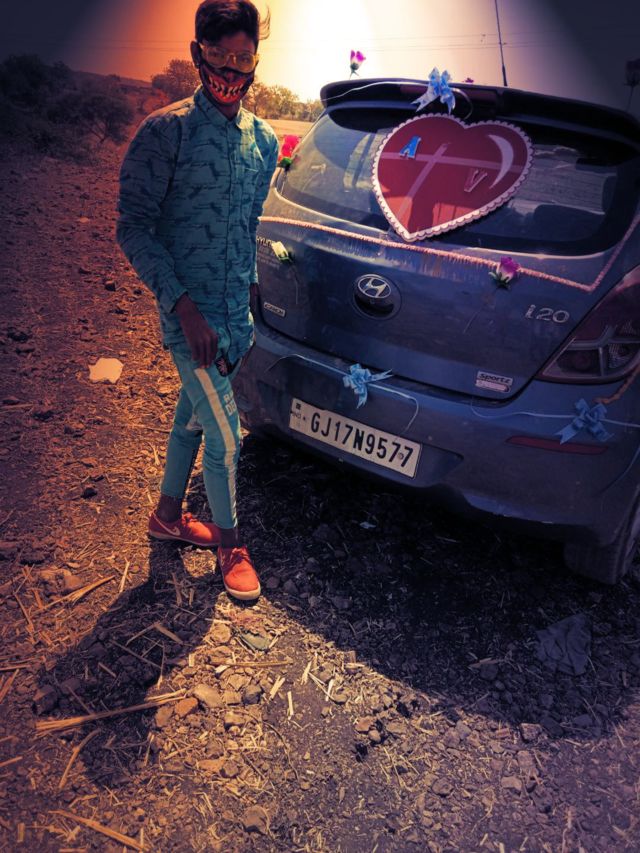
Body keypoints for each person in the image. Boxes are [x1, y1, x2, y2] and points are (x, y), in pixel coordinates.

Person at [116, 0, 278, 601]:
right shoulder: (167, 132)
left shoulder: (263, 141)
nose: (231, 71)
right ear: (197, 54)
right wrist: (183, 308)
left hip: (235, 321)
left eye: (243, 58)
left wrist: (251, 292)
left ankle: (166, 517)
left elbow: (250, 223)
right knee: (227, 437)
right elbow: (133, 227)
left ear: (255, 62)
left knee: (192, 416)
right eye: (218, 55)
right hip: (192, 323)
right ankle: (231, 544)